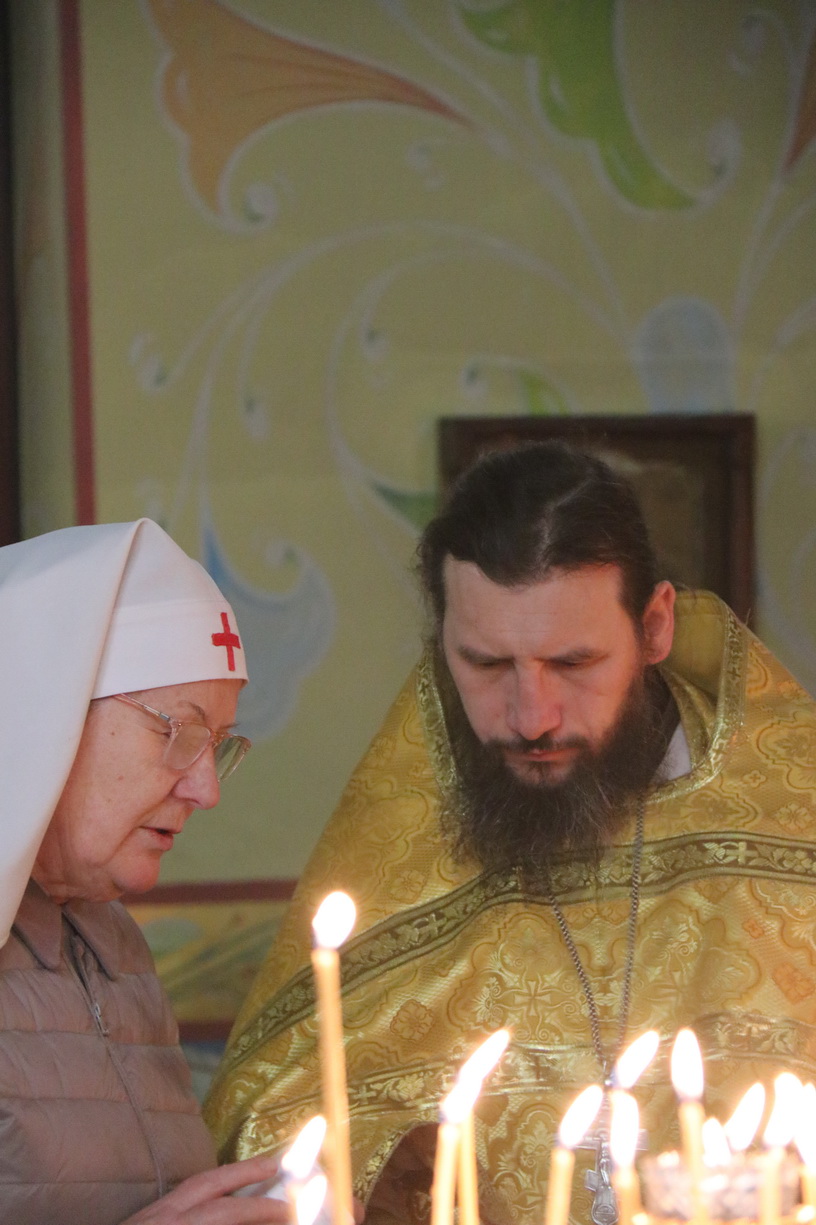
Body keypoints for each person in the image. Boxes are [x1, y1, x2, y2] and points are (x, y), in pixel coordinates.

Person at [204, 443, 816, 1225]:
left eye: (574, 662)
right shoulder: (392, 856)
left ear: (655, 626)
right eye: (489, 664)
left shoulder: (793, 820)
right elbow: (271, 1135)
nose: (532, 717)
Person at [0, 518, 289, 1225]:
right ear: (48, 712)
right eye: (179, 732)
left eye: (218, 745)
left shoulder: (117, 945)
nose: (206, 789)